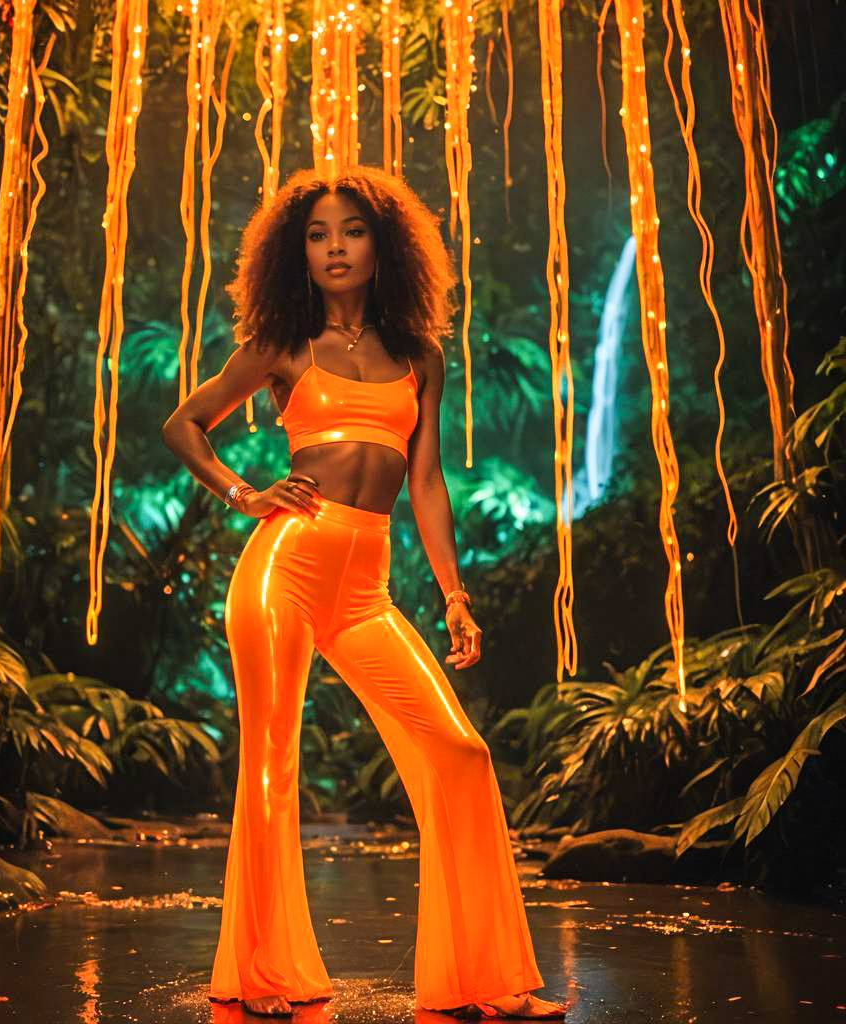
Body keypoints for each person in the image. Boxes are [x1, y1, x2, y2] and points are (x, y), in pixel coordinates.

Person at [162, 165, 568, 1021]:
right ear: (295, 252)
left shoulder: (420, 355)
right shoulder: (284, 344)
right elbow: (183, 423)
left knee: (461, 754)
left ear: (382, 245)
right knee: (271, 766)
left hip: (367, 588)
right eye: (316, 233)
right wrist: (244, 492)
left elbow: (425, 485)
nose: (334, 246)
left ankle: (483, 981)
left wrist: (454, 595)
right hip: (284, 563)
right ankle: (269, 974)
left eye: (350, 230)